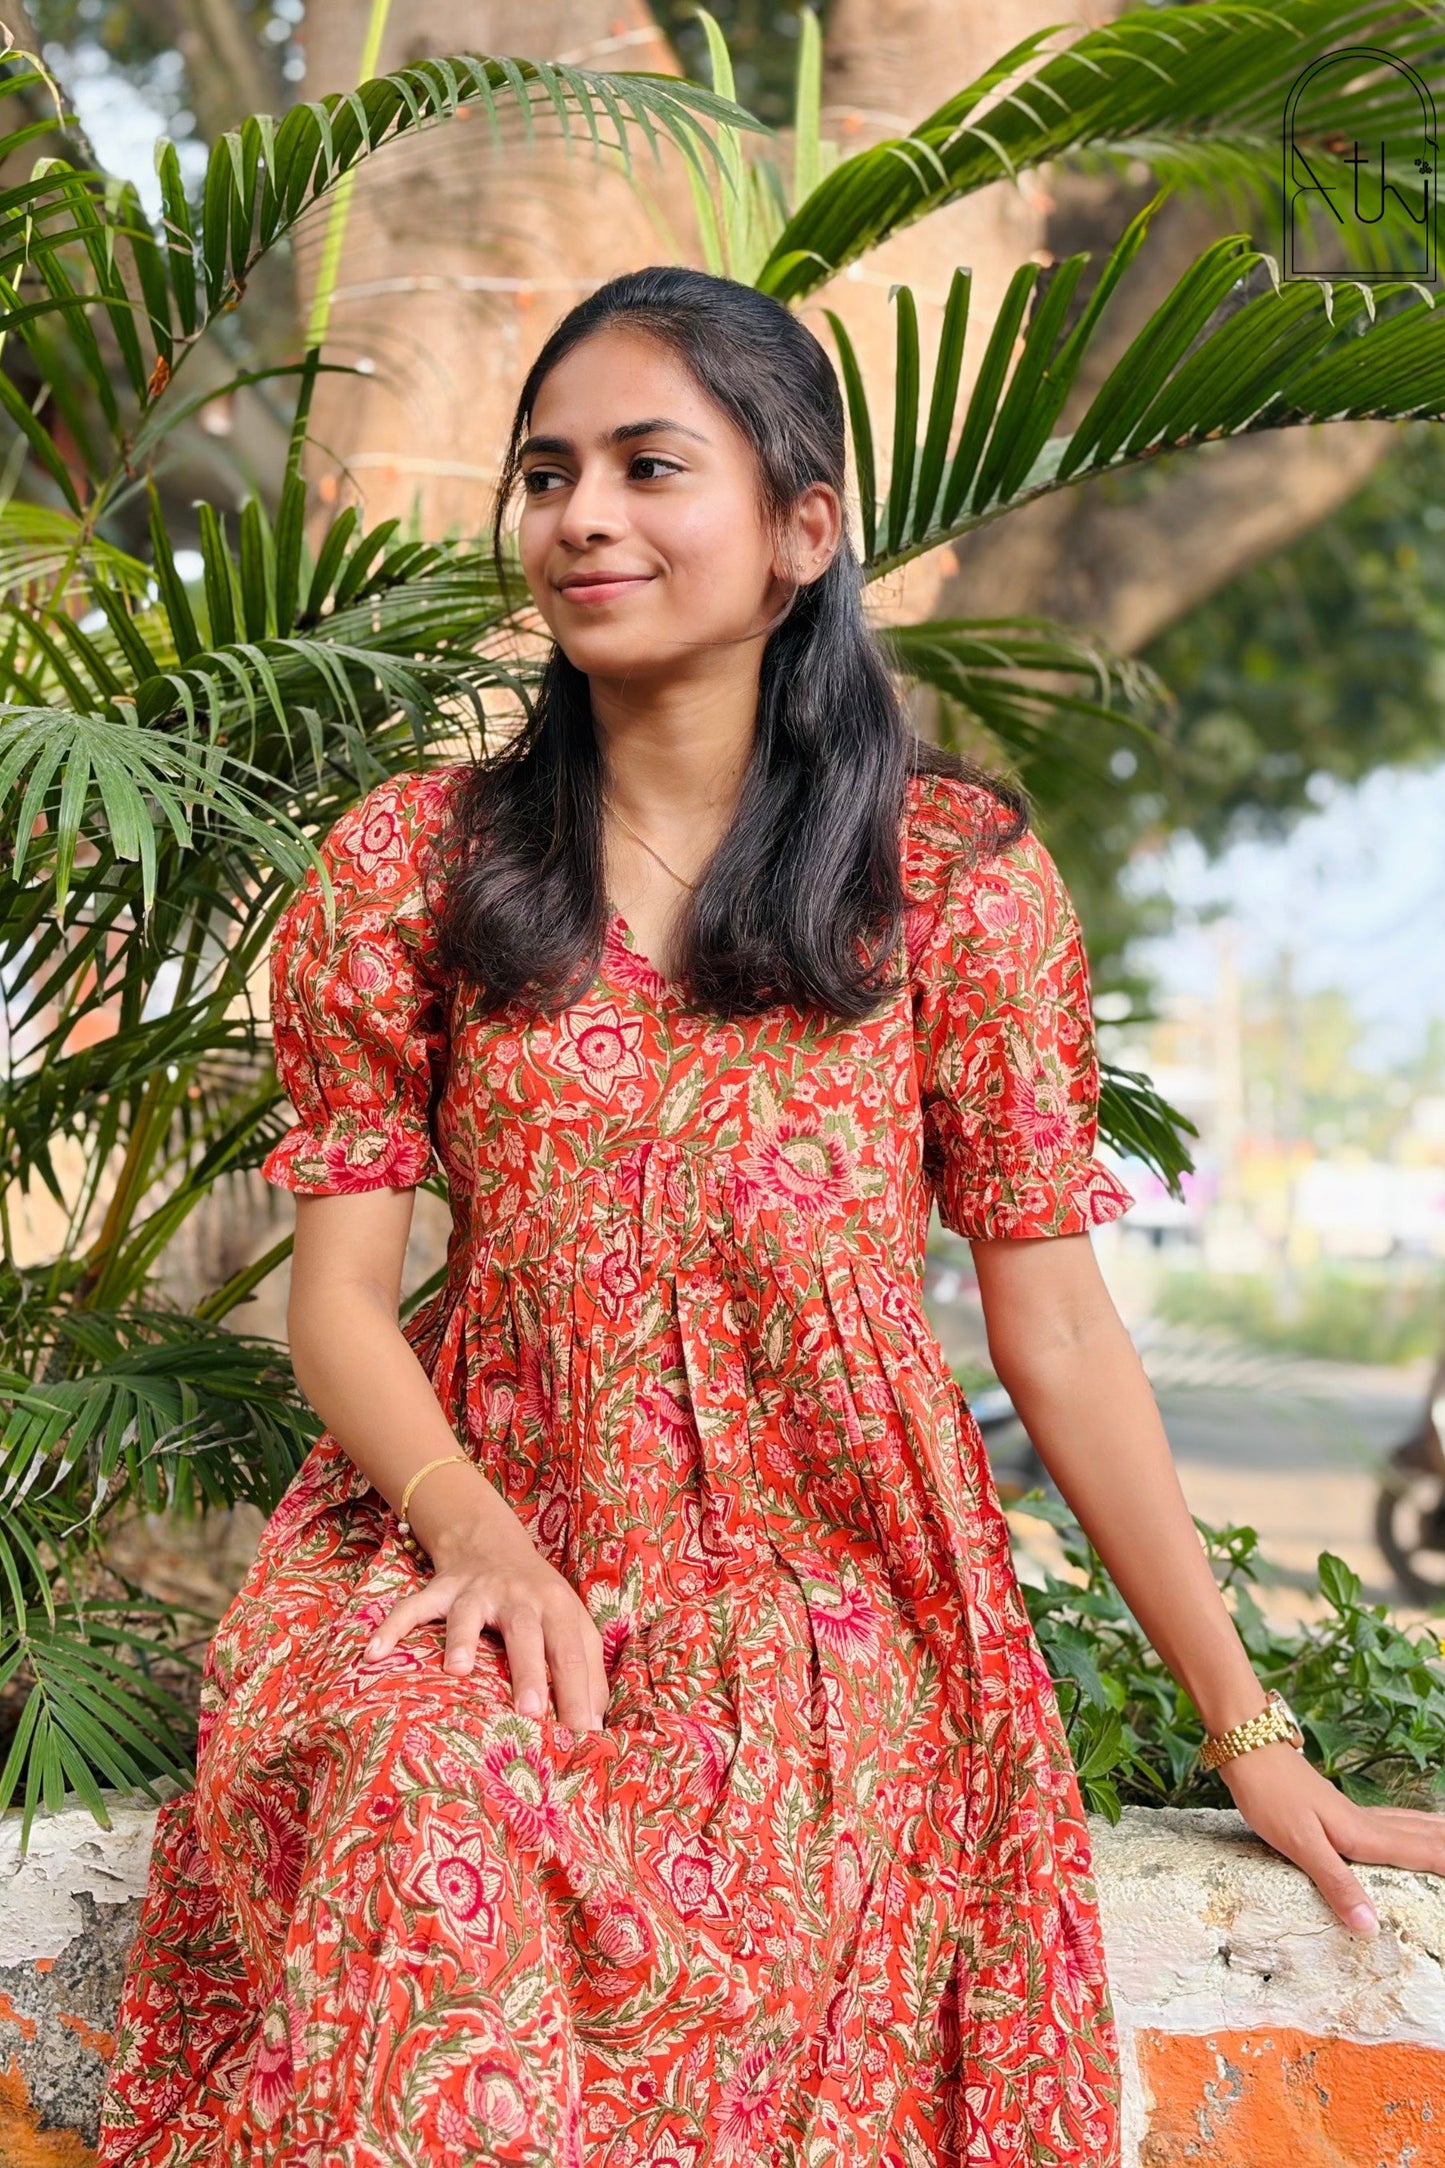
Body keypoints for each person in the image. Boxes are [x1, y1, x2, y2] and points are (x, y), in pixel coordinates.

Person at [95, 265, 1445, 2168]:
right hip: (479, 1539)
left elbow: (1054, 1332)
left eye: (654, 466)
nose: (584, 515)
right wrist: (476, 1544)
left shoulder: (948, 882)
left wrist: (1248, 1729)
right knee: (419, 1780)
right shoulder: (422, 862)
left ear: (802, 530)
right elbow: (338, 1303)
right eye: (549, 469)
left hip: (825, 1604)